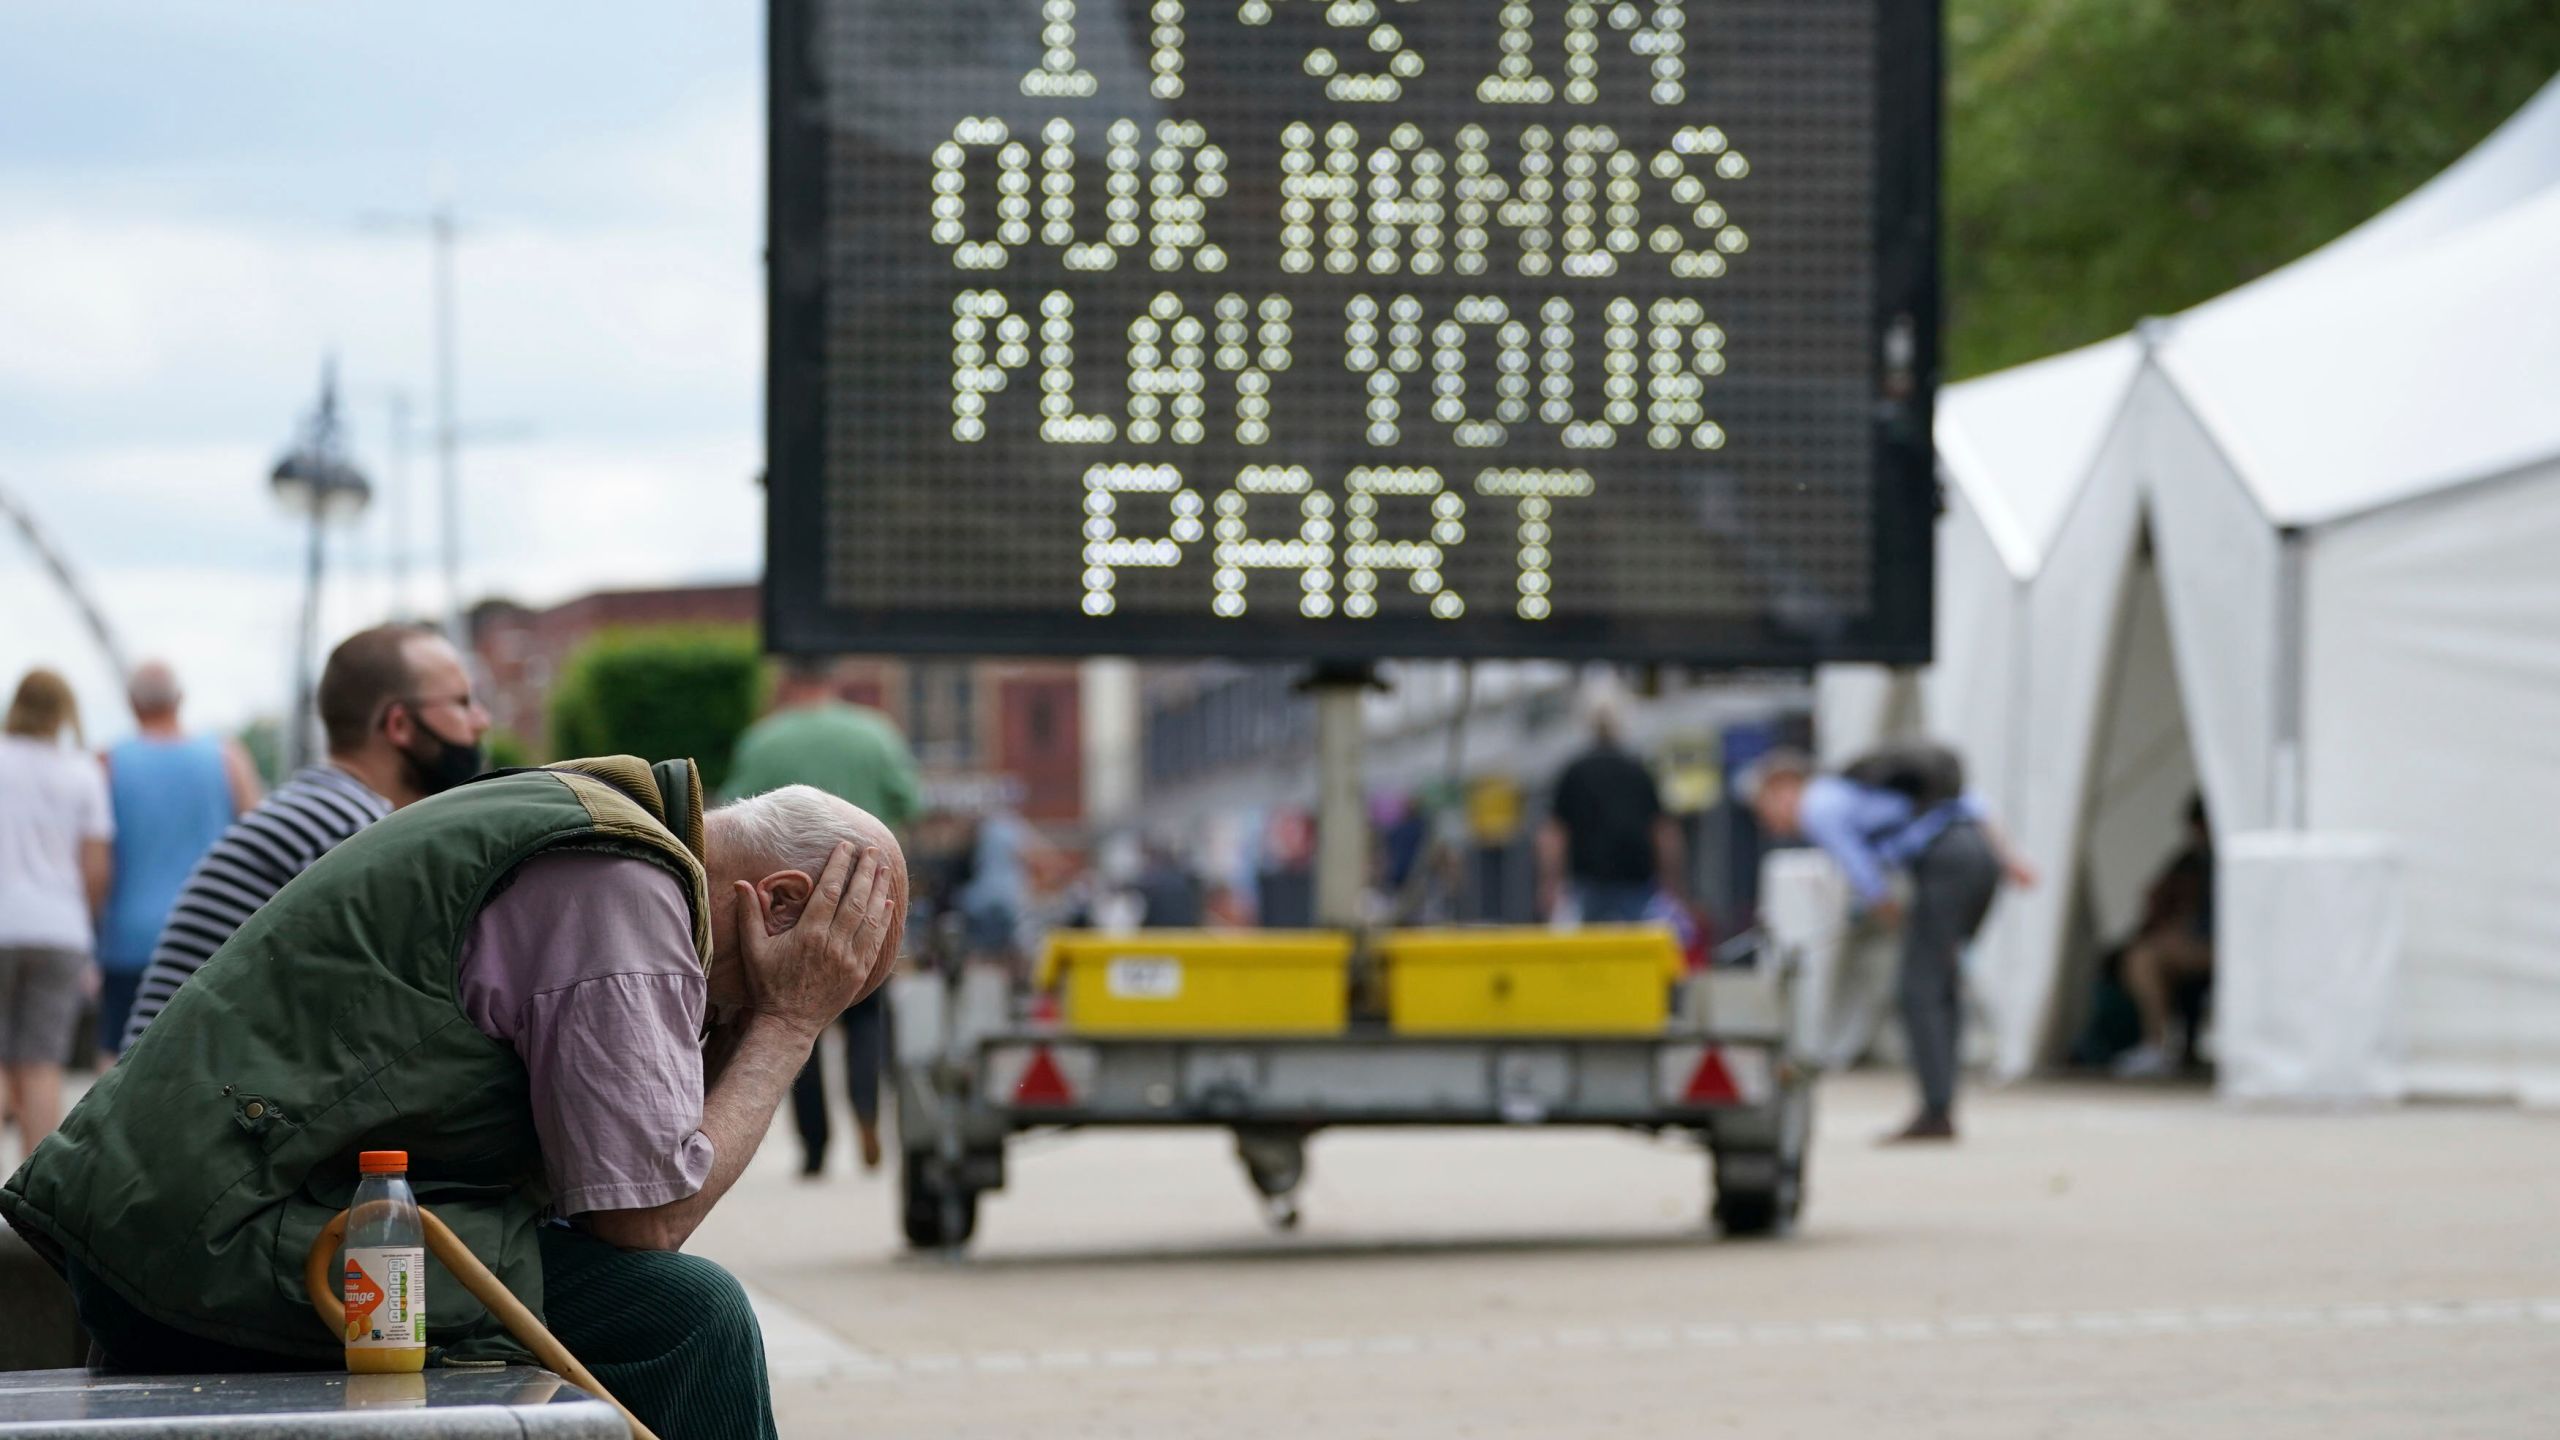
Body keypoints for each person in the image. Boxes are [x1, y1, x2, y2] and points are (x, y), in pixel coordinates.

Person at [3, 757, 905, 1440]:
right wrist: (792, 1020)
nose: (751, 1010)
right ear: (781, 902)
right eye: (801, 971)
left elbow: (623, 1171)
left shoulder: (597, 833)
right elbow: (646, 1221)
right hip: (212, 1243)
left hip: (189, 1218)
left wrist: (761, 1007)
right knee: (683, 1317)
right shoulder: (620, 892)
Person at [120, 624, 492, 1048]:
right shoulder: (352, 835)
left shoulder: (313, 811)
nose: (481, 721)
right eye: (462, 703)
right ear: (400, 725)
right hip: (194, 1099)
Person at [1746, 744, 2035, 1143]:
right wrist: (2009, 858)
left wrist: (1894, 920)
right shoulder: (1861, 790)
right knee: (1941, 982)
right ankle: (1942, 1101)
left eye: (1764, 805)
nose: (1767, 820)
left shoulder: (1819, 805)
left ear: (1783, 787)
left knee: (1919, 989)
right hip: (1979, 859)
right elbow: (1972, 803)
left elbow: (1865, 877)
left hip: (1945, 865)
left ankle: (1936, 1111)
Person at [723, 659, 919, 1177]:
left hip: (789, 901)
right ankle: (867, 1111)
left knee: (794, 1017)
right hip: (870, 896)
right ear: (834, 681)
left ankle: (814, 1147)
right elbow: (908, 801)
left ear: (787, 683)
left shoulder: (763, 740)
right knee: (867, 1018)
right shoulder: (874, 733)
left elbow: (731, 817)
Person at [94, 661, 258, 1058]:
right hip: (213, 935)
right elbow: (257, 835)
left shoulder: (106, 763)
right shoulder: (226, 757)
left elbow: (96, 863)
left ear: (131, 703)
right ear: (180, 699)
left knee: (119, 1058)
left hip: (128, 939)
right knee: (205, 1055)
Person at [0, 670, 114, 1156]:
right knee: (42, 1062)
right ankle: (26, 1196)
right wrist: (84, 918)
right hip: (60, 930)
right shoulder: (82, 770)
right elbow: (95, 865)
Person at [1539, 691, 1686, 924]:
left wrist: (1550, 883)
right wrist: (1672, 883)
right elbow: (1664, 832)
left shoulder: (1575, 772)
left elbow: (1554, 835)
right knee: (1637, 951)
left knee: (1592, 953)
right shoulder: (1638, 770)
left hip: (1589, 881)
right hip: (1635, 882)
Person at [2111, 795, 2215, 1079]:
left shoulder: (2219, 861)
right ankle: (2160, 1043)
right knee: (2139, 955)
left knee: (2143, 960)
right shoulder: (2189, 861)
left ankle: (2156, 1044)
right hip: (2194, 941)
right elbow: (2157, 897)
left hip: (2214, 945)